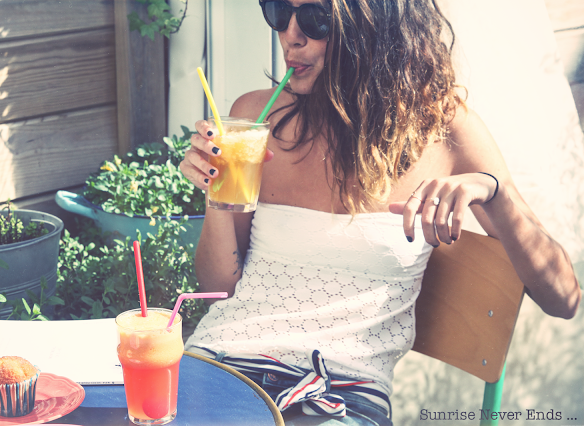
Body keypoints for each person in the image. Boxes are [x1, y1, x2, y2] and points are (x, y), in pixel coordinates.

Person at [179, 0, 582, 424]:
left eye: (315, 18)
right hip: (222, 365)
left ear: (374, 24)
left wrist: (494, 196)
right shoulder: (255, 118)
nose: (289, 35)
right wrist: (217, 194)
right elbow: (219, 288)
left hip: (342, 393)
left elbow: (564, 298)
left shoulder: (444, 130)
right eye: (279, 11)